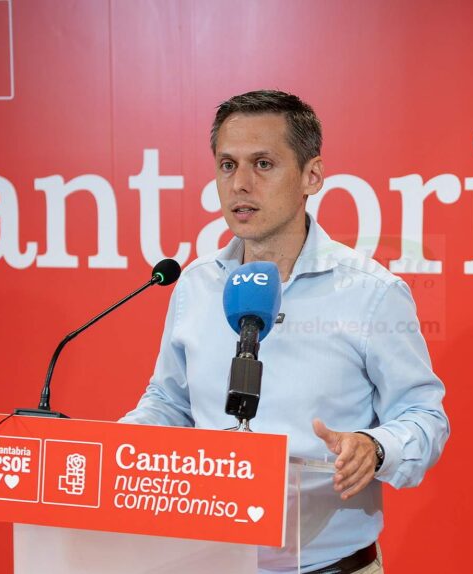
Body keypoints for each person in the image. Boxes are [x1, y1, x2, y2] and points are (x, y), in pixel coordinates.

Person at [122, 89, 449, 574]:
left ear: (311, 175)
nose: (241, 185)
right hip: (209, 559)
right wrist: (120, 448)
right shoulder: (196, 285)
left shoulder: (371, 293)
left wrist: (375, 448)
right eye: (228, 166)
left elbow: (425, 417)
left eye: (264, 164)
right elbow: (171, 402)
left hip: (330, 565)